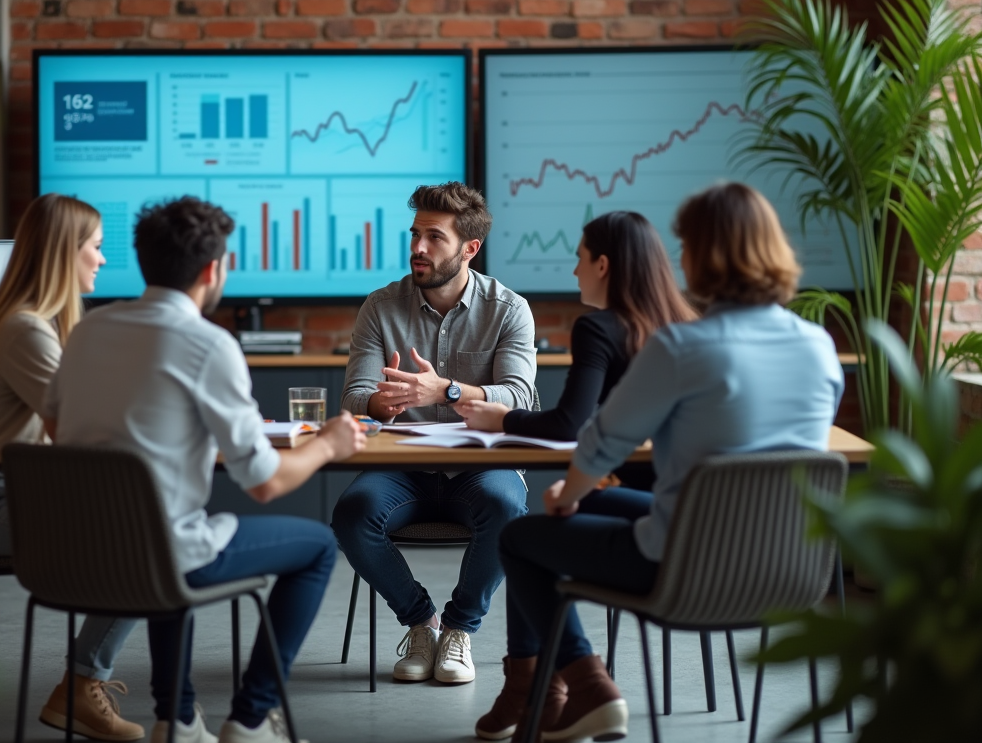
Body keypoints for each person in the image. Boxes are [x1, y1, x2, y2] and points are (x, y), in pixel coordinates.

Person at [478, 182, 845, 742]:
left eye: (686, 244)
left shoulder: (685, 348)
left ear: (702, 255)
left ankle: (587, 686)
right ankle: (542, 690)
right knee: (603, 505)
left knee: (521, 536)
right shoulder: (819, 347)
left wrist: (567, 496)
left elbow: (600, 441)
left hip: (686, 564)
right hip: (792, 571)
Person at [43, 196, 366, 743]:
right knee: (316, 546)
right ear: (213, 270)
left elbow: (55, 427)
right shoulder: (208, 344)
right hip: (162, 554)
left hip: (79, 553)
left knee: (177, 524)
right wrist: (329, 446)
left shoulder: (87, 332)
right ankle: (252, 717)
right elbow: (265, 483)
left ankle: (179, 718)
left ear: (143, 260)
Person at [0, 194, 143, 741]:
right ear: (64, 253)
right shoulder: (24, 330)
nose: (103, 260)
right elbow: (81, 429)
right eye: (96, 248)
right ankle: (80, 687)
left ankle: (81, 683)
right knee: (146, 540)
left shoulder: (27, 324)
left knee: (146, 525)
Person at [333, 182, 537, 686]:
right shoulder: (380, 307)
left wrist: (443, 391)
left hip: (482, 466)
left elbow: (520, 398)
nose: (418, 248)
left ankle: (460, 629)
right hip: (401, 467)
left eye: (434, 237)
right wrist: (384, 401)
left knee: (508, 509)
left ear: (469, 248)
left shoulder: (509, 309)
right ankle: (422, 622)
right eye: (415, 234)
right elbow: (355, 399)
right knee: (351, 515)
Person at [456, 210, 695, 442]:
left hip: (645, 479)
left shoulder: (596, 329)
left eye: (580, 258)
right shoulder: (687, 325)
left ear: (602, 265)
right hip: (692, 478)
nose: (576, 271)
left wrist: (504, 419)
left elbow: (569, 424)